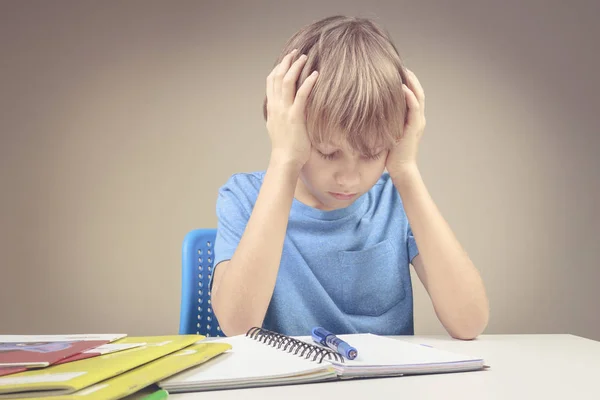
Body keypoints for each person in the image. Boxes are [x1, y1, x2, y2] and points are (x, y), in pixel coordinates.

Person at [210, 15, 489, 339]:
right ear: (285, 127)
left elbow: (470, 323)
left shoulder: (395, 199)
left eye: (371, 154)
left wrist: (406, 170)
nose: (349, 178)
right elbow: (237, 327)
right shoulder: (242, 197)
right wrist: (285, 159)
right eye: (328, 153)